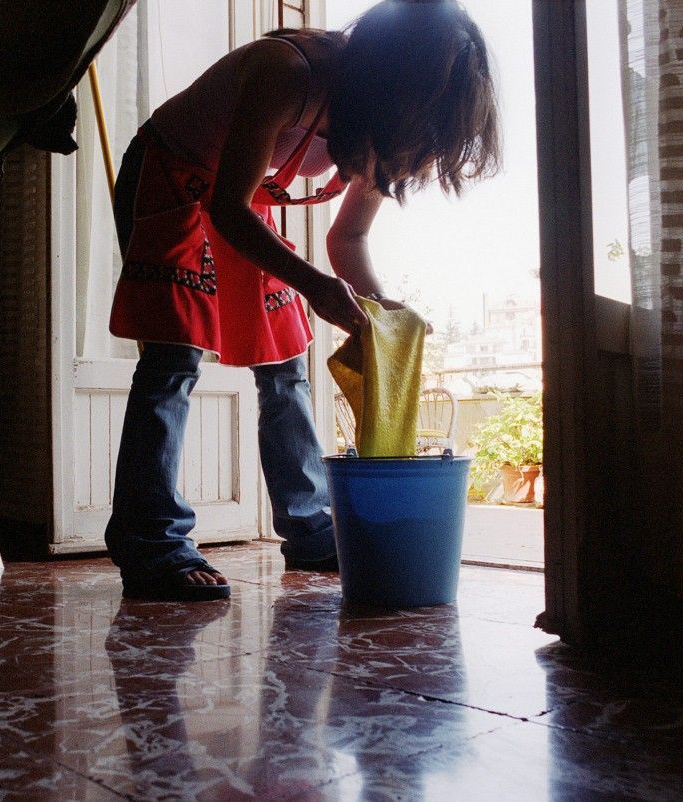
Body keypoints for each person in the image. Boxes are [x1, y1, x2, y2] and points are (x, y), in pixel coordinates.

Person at [105, 0, 500, 601]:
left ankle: (311, 528)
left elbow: (349, 238)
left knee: (285, 364)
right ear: (388, 87)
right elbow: (227, 210)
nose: (410, 152)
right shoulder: (287, 73)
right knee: (173, 359)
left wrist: (379, 312)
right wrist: (316, 286)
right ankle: (150, 541)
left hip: (241, 201)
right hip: (173, 176)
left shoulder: (379, 130)